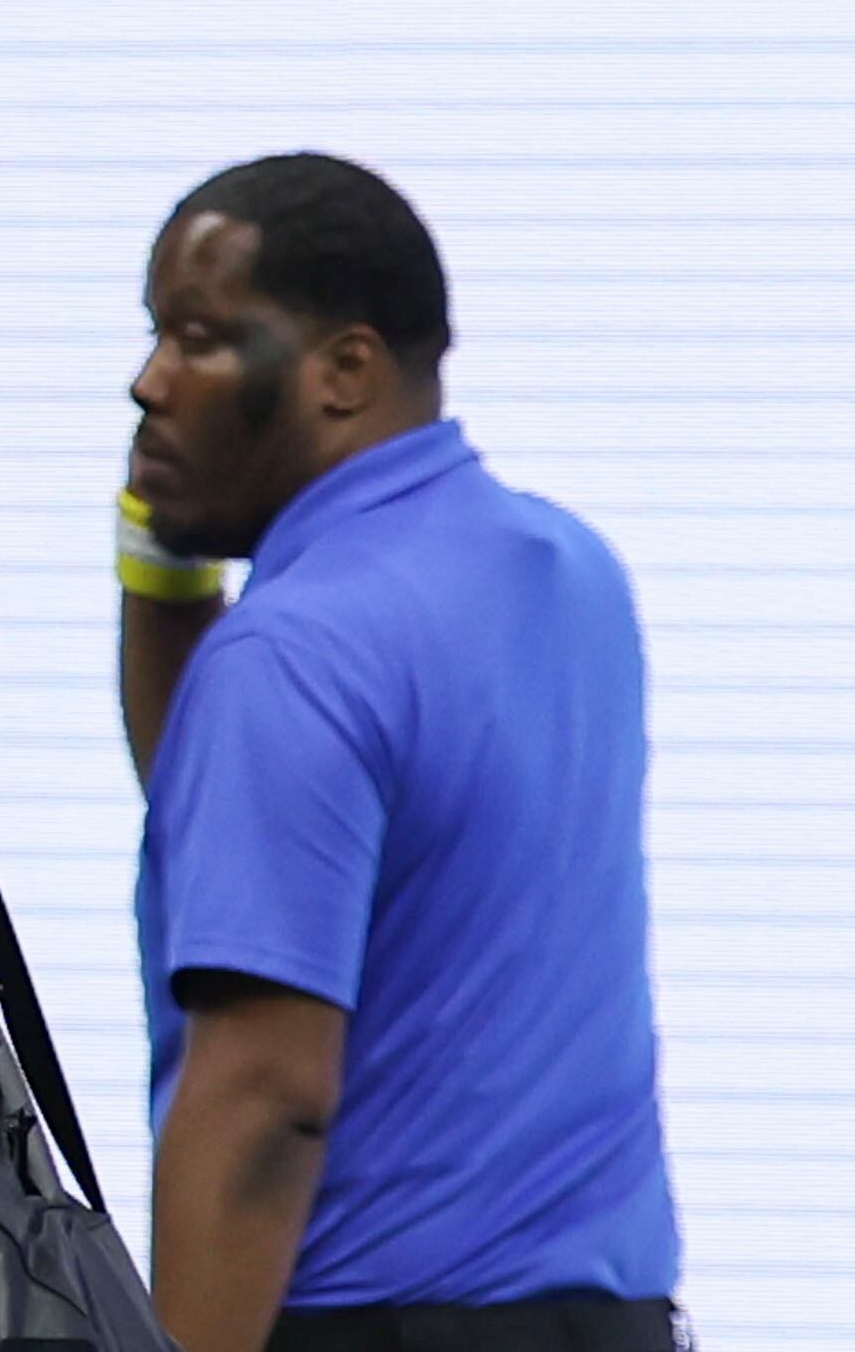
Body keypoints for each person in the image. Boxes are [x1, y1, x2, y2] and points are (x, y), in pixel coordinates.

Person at [115, 154, 684, 1352]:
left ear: (343, 370)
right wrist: (159, 546)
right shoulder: (569, 571)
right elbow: (224, 831)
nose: (147, 383)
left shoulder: (290, 654)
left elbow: (265, 1099)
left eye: (200, 339)